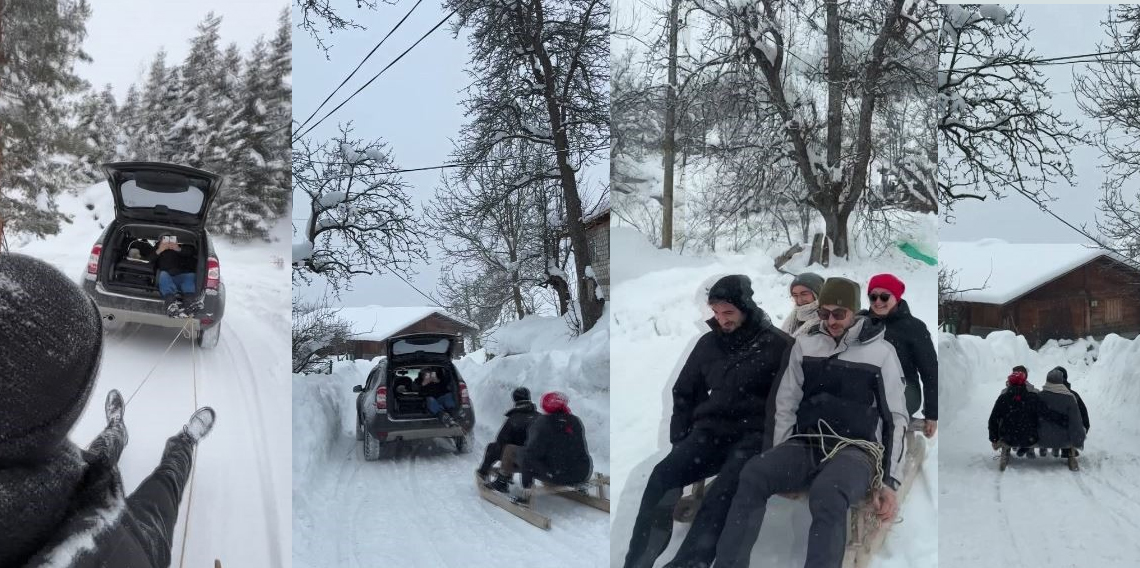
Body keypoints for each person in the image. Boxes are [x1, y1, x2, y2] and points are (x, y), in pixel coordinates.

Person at [0, 252, 216, 568]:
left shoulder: (41, 463)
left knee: (95, 457)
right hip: (135, 544)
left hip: (59, 476)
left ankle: (116, 428)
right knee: (165, 487)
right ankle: (184, 442)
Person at [714, 277, 909, 568]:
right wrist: (778, 455)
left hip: (857, 449)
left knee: (828, 492)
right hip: (807, 442)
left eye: (839, 313)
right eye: (823, 313)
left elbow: (895, 418)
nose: (830, 320)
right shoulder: (805, 346)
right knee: (754, 472)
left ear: (854, 312)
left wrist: (890, 482)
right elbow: (786, 402)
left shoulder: (881, 354)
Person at [622, 275, 794, 568]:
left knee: (724, 490)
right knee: (663, 475)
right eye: (716, 313)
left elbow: (788, 401)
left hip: (753, 437)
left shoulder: (779, 345)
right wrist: (682, 440)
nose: (722, 320)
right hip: (710, 434)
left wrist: (770, 446)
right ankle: (638, 561)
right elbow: (685, 391)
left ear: (746, 308)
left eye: (728, 312)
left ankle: (689, 563)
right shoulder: (708, 344)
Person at [861, 273, 939, 438]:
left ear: (896, 297)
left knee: (880, 407)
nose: (878, 302)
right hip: (866, 384)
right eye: (873, 297)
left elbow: (930, 371)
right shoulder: (861, 322)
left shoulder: (914, 328)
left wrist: (932, 414)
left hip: (905, 387)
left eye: (884, 297)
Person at [477, 386, 539, 490]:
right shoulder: (539, 417)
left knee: (493, 448)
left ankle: (487, 474)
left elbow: (501, 441)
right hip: (537, 458)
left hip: (519, 458)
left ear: (514, 399)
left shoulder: (513, 419)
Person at [988, 369, 1044, 459]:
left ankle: (1012, 449)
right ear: (1024, 382)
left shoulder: (1003, 398)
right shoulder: (1033, 397)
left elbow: (993, 419)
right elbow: (1044, 415)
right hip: (1030, 438)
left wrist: (994, 438)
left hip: (1008, 438)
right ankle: (1026, 449)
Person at [1038, 368, 1087, 465]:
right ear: (1062, 381)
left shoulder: (1039, 396)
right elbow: (1075, 422)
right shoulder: (1070, 398)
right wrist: (1078, 441)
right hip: (1063, 440)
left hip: (1041, 438)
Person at [151, 235, 200, 317]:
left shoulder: (183, 249)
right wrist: (160, 249)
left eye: (172, 239)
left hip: (181, 277)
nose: (168, 241)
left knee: (191, 276)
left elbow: (192, 253)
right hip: (166, 278)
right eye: (165, 239)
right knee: (163, 274)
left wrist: (178, 249)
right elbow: (148, 259)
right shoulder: (158, 249)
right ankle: (171, 305)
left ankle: (189, 304)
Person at [781, 272, 823, 338]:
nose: (799, 300)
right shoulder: (795, 315)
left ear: (817, 293)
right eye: (795, 295)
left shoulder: (825, 322)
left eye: (804, 294)